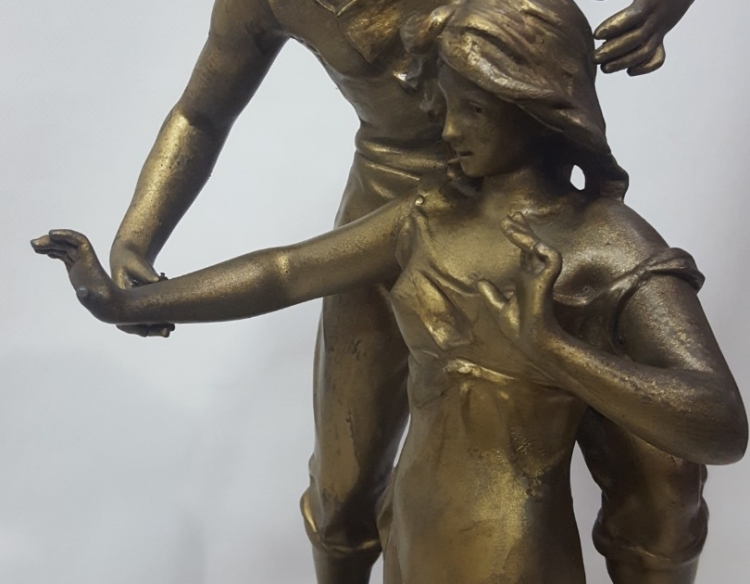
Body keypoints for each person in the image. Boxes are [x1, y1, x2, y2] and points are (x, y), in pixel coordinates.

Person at [33, 1, 745, 582]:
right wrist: (137, 249)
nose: (445, 118)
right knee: (345, 486)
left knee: (665, 490)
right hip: (395, 201)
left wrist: (664, 8)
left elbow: (715, 419)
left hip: (544, 195)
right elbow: (207, 124)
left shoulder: (611, 247)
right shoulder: (409, 219)